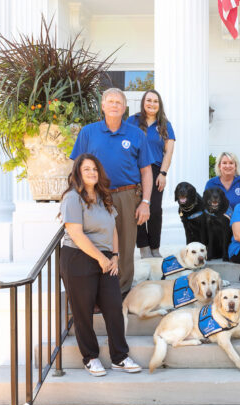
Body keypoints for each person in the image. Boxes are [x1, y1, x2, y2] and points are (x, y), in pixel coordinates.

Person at [59, 154, 141, 376]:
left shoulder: (104, 197)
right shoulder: (72, 198)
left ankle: (120, 356)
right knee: (82, 310)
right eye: (86, 169)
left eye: (95, 169)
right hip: (78, 257)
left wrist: (114, 255)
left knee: (114, 306)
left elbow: (113, 228)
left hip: (105, 258)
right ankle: (91, 357)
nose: (92, 173)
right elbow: (76, 233)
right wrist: (101, 258)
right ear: (77, 172)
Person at [71, 87, 154, 296]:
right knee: (95, 241)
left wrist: (145, 202)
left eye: (119, 102)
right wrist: (77, 196)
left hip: (127, 196)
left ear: (125, 107)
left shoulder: (136, 134)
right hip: (95, 195)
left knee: (125, 246)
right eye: (110, 101)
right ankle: (96, 291)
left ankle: (121, 293)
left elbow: (146, 172)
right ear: (103, 106)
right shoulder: (88, 132)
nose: (115, 105)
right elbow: (75, 168)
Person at [127, 89, 176, 259]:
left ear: (159, 105)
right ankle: (143, 247)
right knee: (137, 207)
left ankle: (155, 247)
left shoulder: (165, 124)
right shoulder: (132, 121)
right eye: (149, 100)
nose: (152, 104)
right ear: (143, 102)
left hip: (155, 170)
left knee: (154, 210)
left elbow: (168, 152)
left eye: (155, 101)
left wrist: (163, 173)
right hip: (134, 170)